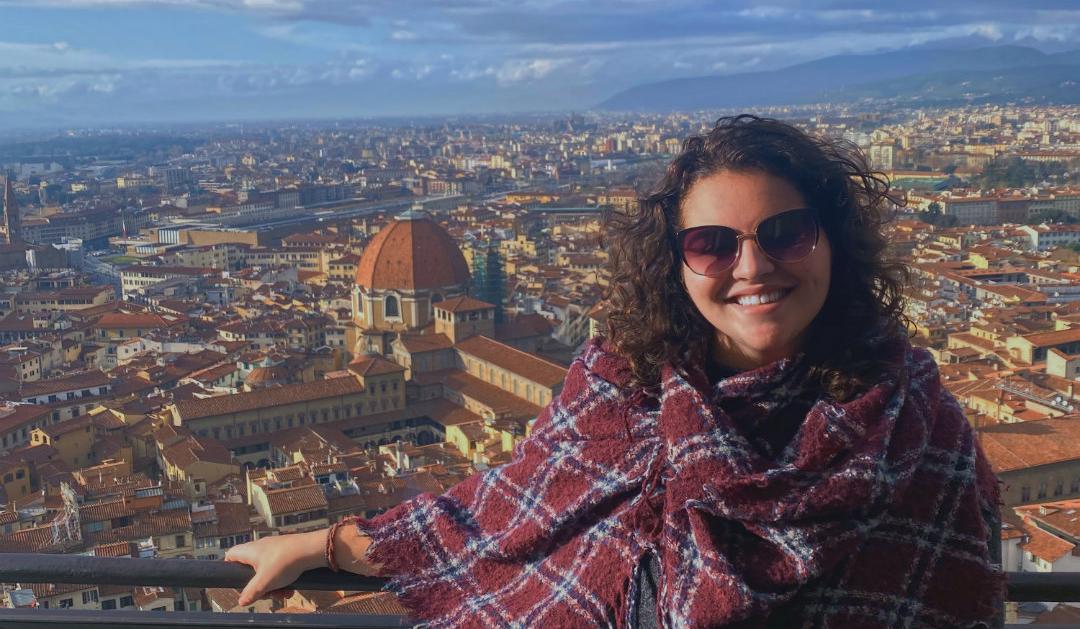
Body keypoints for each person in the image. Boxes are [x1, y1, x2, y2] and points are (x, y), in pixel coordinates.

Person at [226, 114, 1004, 628]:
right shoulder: (617, 396)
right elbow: (497, 516)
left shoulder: (923, 435)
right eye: (713, 244)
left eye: (788, 231)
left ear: (833, 240)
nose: (753, 265)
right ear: (676, 262)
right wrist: (327, 543)